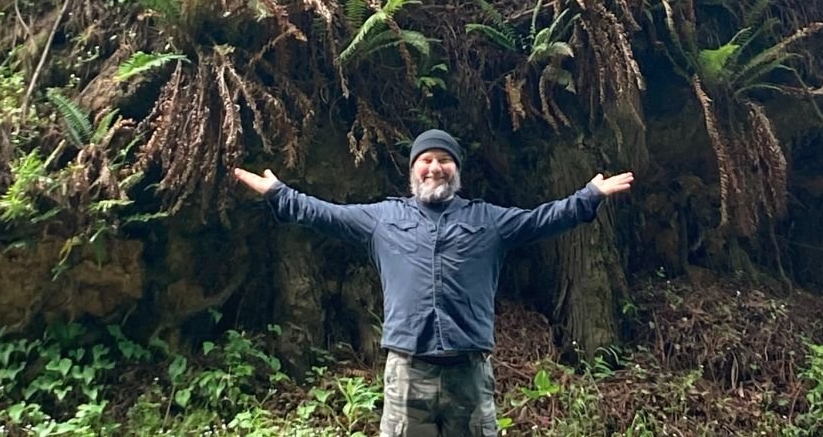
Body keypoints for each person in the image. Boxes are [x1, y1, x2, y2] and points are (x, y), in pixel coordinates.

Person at [232, 128, 634, 437]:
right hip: (408, 370)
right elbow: (326, 214)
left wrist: (589, 195)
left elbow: (541, 219)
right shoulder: (382, 219)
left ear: (456, 169)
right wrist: (279, 193)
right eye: (425, 160)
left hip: (469, 373)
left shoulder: (488, 220)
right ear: (413, 170)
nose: (434, 167)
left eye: (444, 160)